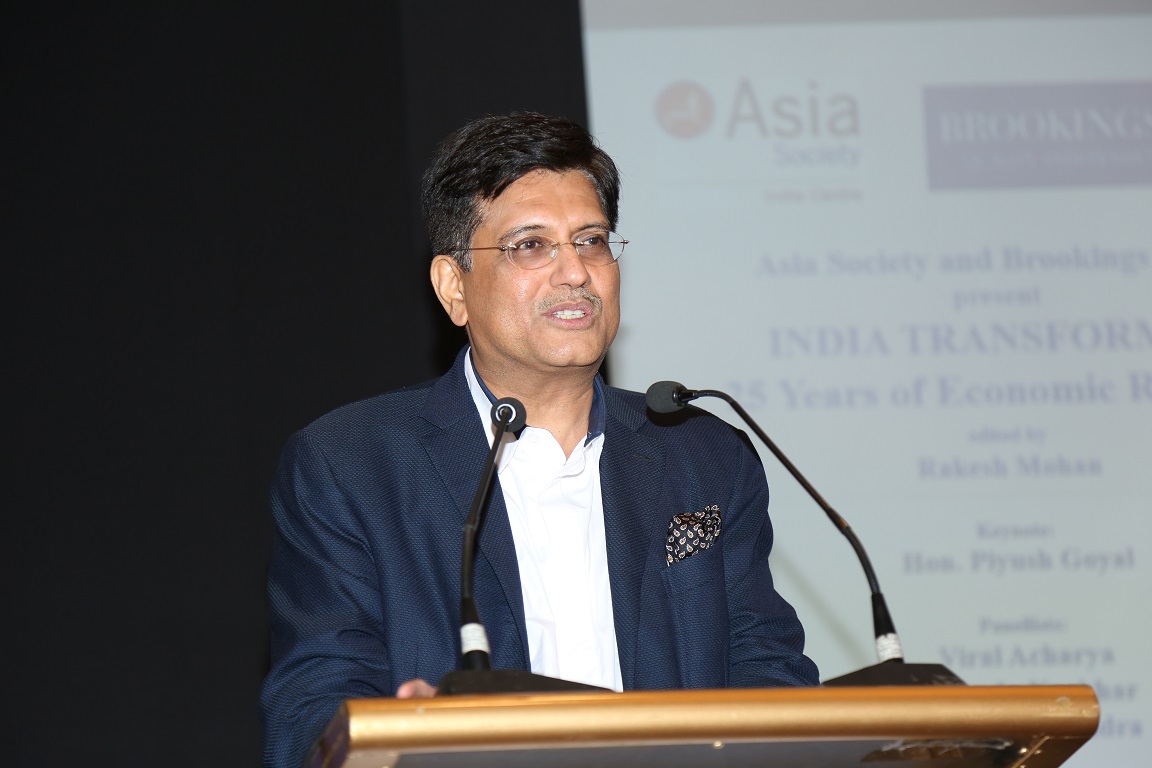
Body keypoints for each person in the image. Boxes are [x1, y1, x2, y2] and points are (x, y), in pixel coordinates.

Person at [260, 112, 818, 768]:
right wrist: (402, 737)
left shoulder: (704, 456)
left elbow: (771, 677)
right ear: (453, 288)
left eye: (592, 240)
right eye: (531, 245)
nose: (575, 271)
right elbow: (309, 715)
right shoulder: (352, 465)